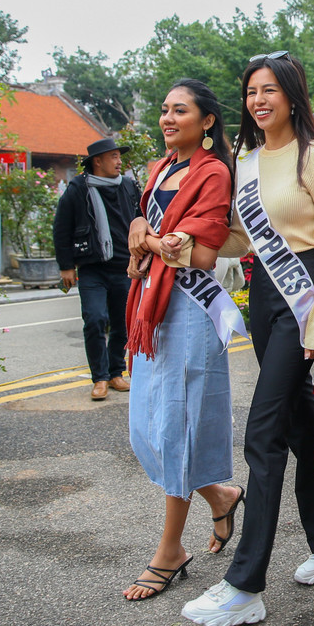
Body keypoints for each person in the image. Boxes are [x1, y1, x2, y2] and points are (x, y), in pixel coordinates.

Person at [183, 52, 314, 626]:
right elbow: (242, 240)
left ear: (290, 96)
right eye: (251, 92)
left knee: (263, 435)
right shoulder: (247, 159)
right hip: (263, 295)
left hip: (304, 290)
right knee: (299, 422)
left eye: (269, 91)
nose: (258, 101)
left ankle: (245, 585)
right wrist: (191, 247)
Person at [121, 80, 245, 600]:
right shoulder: (159, 169)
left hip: (191, 311)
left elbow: (198, 254)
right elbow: (165, 240)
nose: (168, 118)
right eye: (164, 109)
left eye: (181, 110)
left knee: (176, 427)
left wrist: (142, 236)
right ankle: (220, 494)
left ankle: (169, 549)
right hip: (154, 307)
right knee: (145, 430)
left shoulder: (213, 173)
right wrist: (143, 227)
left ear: (207, 121)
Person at [52, 137, 142, 400]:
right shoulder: (78, 188)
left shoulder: (128, 186)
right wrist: (66, 266)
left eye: (118, 156)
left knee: (122, 324)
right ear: (97, 161)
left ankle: (116, 373)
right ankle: (99, 378)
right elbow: (62, 228)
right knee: (94, 320)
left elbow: (141, 218)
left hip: (125, 267)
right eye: (113, 157)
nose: (119, 161)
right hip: (92, 268)